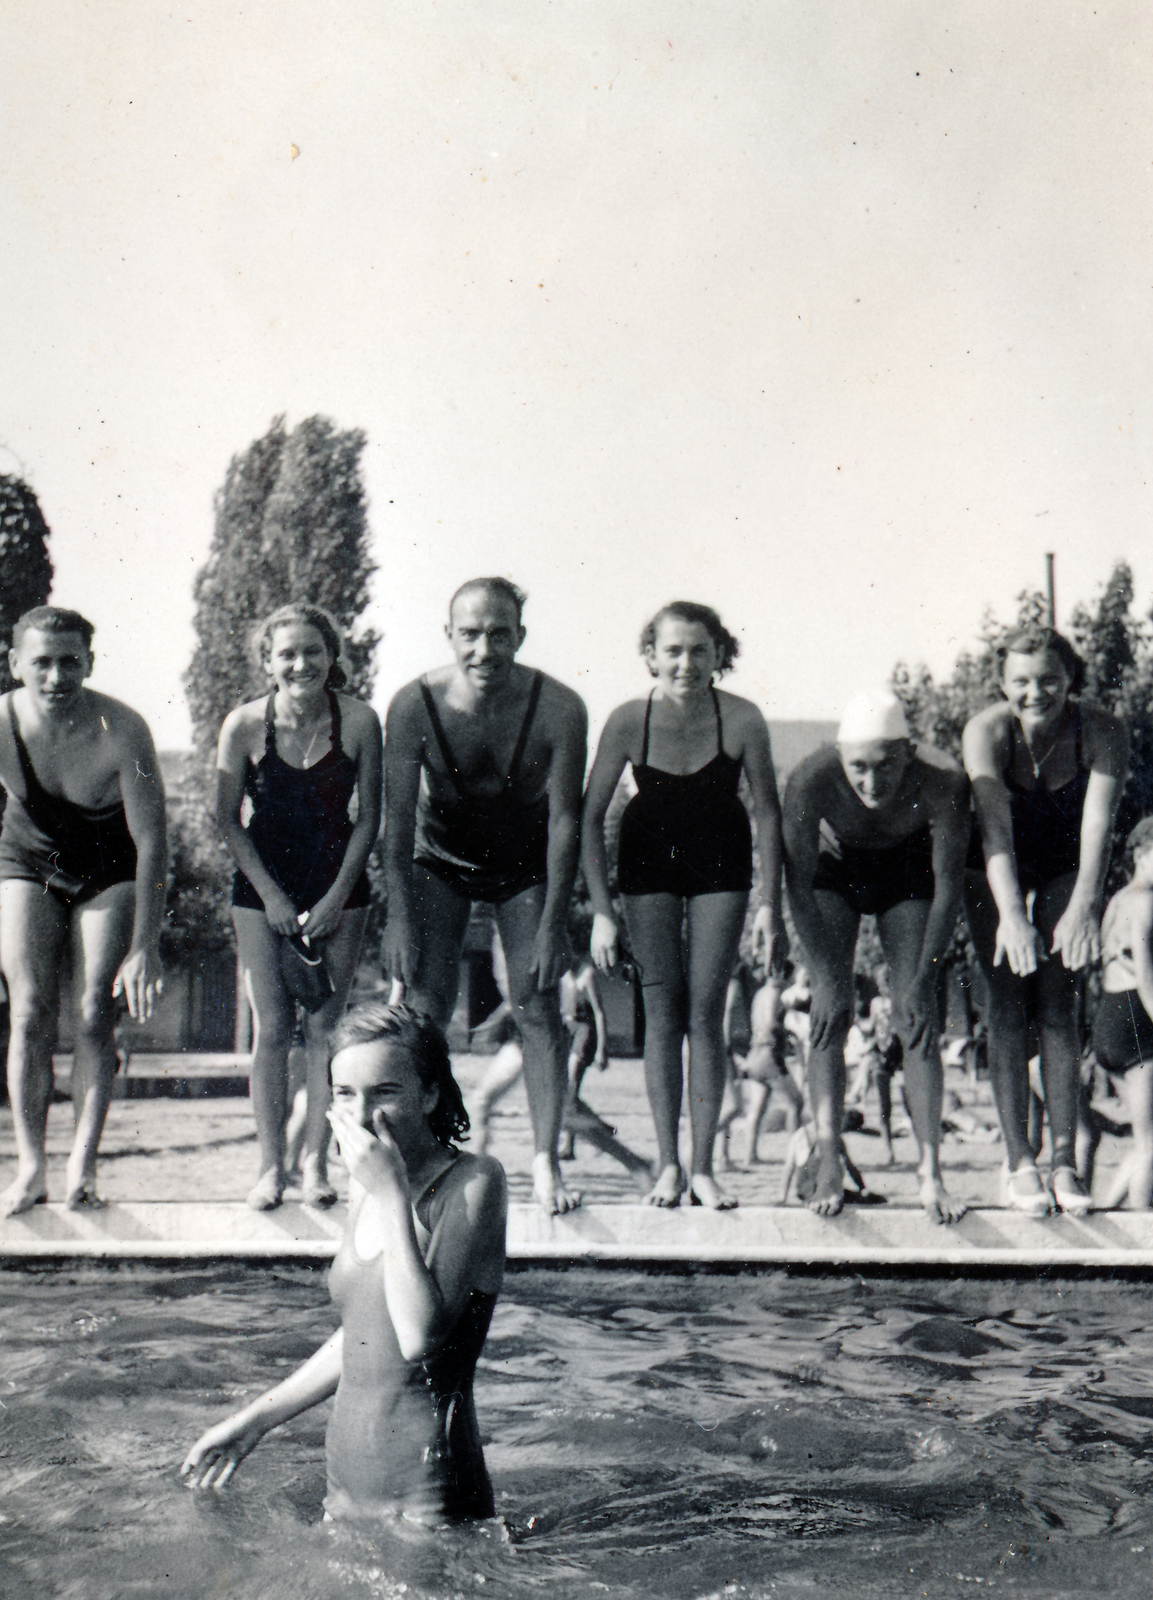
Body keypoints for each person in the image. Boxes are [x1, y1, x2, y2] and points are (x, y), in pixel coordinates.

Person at [182, 1002, 507, 1525]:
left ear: (429, 1094)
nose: (359, 1116)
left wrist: (393, 1195)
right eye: (344, 1094)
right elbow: (361, 1336)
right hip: (344, 1492)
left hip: (427, 1503)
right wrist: (255, 1421)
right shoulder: (366, 1183)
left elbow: (418, 1336)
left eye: (385, 1093)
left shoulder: (473, 1183)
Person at [381, 578, 587, 1214]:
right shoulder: (414, 704)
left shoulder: (559, 707)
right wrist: (397, 917)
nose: (484, 648)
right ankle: (421, 1154)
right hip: (440, 858)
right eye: (470, 633)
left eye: (500, 633)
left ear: (520, 636)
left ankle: (546, 1160)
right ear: (449, 636)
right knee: (425, 1006)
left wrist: (553, 925)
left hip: (524, 862)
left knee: (535, 1003)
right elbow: (395, 820)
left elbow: (565, 823)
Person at [583, 600, 786, 1209]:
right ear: (651, 655)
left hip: (722, 859)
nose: (687, 663)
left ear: (720, 654)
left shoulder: (744, 718)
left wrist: (769, 906)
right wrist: (600, 908)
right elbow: (590, 817)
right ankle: (668, 1164)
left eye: (700, 650)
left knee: (708, 1016)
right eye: (673, 650)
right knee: (662, 1017)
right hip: (647, 861)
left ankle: (703, 1167)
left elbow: (769, 816)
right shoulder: (626, 720)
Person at [0, 607, 167, 1214]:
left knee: (96, 1010)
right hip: (26, 858)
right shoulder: (0, 722)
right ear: (15, 663)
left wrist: (145, 945)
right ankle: (31, 1166)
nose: (55, 676)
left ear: (89, 662)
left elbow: (152, 840)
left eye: (69, 661)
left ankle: (82, 1166)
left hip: (108, 867)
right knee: (29, 1010)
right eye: (40, 662)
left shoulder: (124, 728)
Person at [217, 603, 382, 1210]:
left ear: (332, 657)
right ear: (267, 662)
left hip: (339, 882)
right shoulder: (242, 725)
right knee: (273, 1030)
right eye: (286, 653)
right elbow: (226, 820)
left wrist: (338, 895)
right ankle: (270, 1168)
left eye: (313, 651)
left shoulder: (360, 721)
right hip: (263, 885)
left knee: (322, 1031)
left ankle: (315, 1166)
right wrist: (273, 896)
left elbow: (370, 819)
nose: (301, 663)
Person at [782, 688, 970, 1223]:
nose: (870, 783)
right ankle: (827, 1161)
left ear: (909, 751)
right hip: (833, 870)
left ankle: (930, 1172)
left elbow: (950, 888)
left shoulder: (944, 780)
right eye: (858, 768)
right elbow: (796, 886)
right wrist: (826, 976)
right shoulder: (810, 778)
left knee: (917, 1016)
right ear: (839, 757)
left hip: (906, 870)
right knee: (829, 1013)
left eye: (884, 766)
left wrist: (922, 977)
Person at [963, 626, 1127, 1215]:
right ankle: (1017, 1160)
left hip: (1065, 862)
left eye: (1050, 679)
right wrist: (1010, 914)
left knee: (1059, 1001)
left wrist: (1085, 907)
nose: (1037, 692)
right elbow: (995, 831)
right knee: (1006, 1001)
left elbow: (1097, 827)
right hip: (992, 863)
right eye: (1022, 682)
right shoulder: (986, 732)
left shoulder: (1102, 729)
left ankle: (1063, 1161)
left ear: (1071, 679)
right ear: (1003, 684)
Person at [1083, 818, 1153, 1210]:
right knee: (1151, 1144)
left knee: (1147, 1139)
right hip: (1136, 1021)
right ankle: (1144, 1238)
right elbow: (1146, 976)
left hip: (1111, 1016)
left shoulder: (1118, 900)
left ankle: (1109, 1210)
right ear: (1141, 854)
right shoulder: (1145, 901)